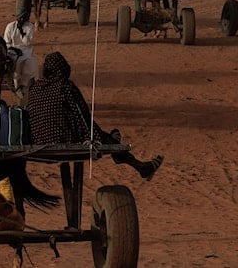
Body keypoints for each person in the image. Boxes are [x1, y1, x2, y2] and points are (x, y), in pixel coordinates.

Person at [26, 52, 163, 181]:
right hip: (62, 141)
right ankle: (132, 159)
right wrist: (96, 137)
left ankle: (126, 153)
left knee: (103, 137)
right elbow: (81, 115)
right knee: (100, 136)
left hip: (38, 142)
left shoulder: (35, 88)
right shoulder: (65, 86)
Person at [4, 11, 37, 106]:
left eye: (23, 18)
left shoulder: (29, 26)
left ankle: (26, 85)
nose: (21, 20)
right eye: (20, 18)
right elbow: (6, 42)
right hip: (12, 51)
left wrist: (22, 32)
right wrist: (14, 49)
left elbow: (27, 42)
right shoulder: (10, 26)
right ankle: (16, 86)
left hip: (26, 51)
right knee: (15, 64)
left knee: (31, 63)